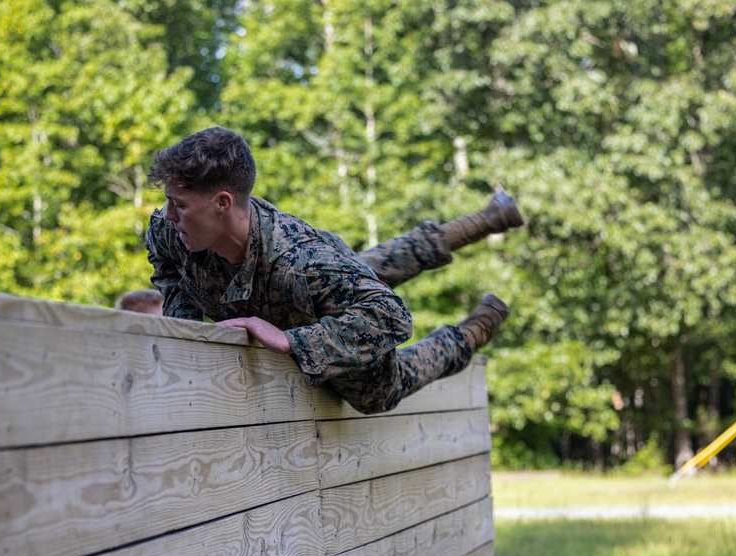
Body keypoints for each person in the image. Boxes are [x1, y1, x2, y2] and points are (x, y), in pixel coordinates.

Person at [144, 126, 521, 415]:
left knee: (380, 394)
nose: (169, 214)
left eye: (180, 204)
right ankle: (488, 219)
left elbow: (391, 317)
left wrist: (294, 341)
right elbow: (170, 274)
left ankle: (476, 329)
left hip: (314, 297)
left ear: (223, 203)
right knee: (370, 267)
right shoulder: (168, 230)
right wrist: (187, 335)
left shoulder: (301, 261)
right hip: (307, 284)